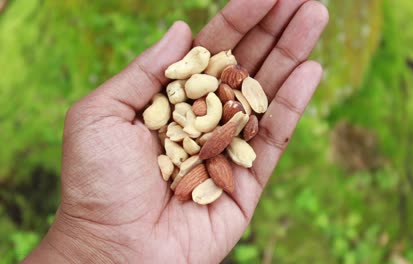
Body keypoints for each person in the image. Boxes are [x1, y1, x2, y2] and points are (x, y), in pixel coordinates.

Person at [23, 0, 328, 263]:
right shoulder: (188, 114)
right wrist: (97, 241)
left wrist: (93, 247)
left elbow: (212, 109)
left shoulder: (212, 107)